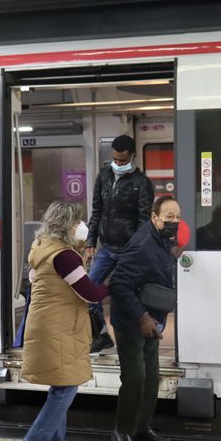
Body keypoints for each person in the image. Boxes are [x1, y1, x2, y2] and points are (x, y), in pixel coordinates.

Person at [20, 201, 108, 441]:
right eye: (76, 222)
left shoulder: (43, 247)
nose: (81, 226)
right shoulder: (64, 256)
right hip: (57, 327)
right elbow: (89, 293)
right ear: (66, 225)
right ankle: (38, 440)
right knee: (67, 386)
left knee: (62, 384)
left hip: (50, 324)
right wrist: (111, 286)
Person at [109, 196, 180, 441]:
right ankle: (123, 431)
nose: (173, 222)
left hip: (152, 320)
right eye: (168, 217)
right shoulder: (142, 244)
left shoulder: (161, 240)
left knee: (151, 377)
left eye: (177, 218)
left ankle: (142, 428)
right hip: (131, 321)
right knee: (135, 378)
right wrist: (142, 318)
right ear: (154, 217)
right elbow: (118, 285)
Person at [85, 134, 154, 353]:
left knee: (123, 293)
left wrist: (137, 251)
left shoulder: (141, 183)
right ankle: (102, 334)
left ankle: (134, 337)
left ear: (133, 156)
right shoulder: (103, 176)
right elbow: (96, 212)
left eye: (123, 160)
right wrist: (90, 242)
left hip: (129, 249)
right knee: (88, 289)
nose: (119, 163)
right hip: (106, 246)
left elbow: (144, 222)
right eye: (116, 159)